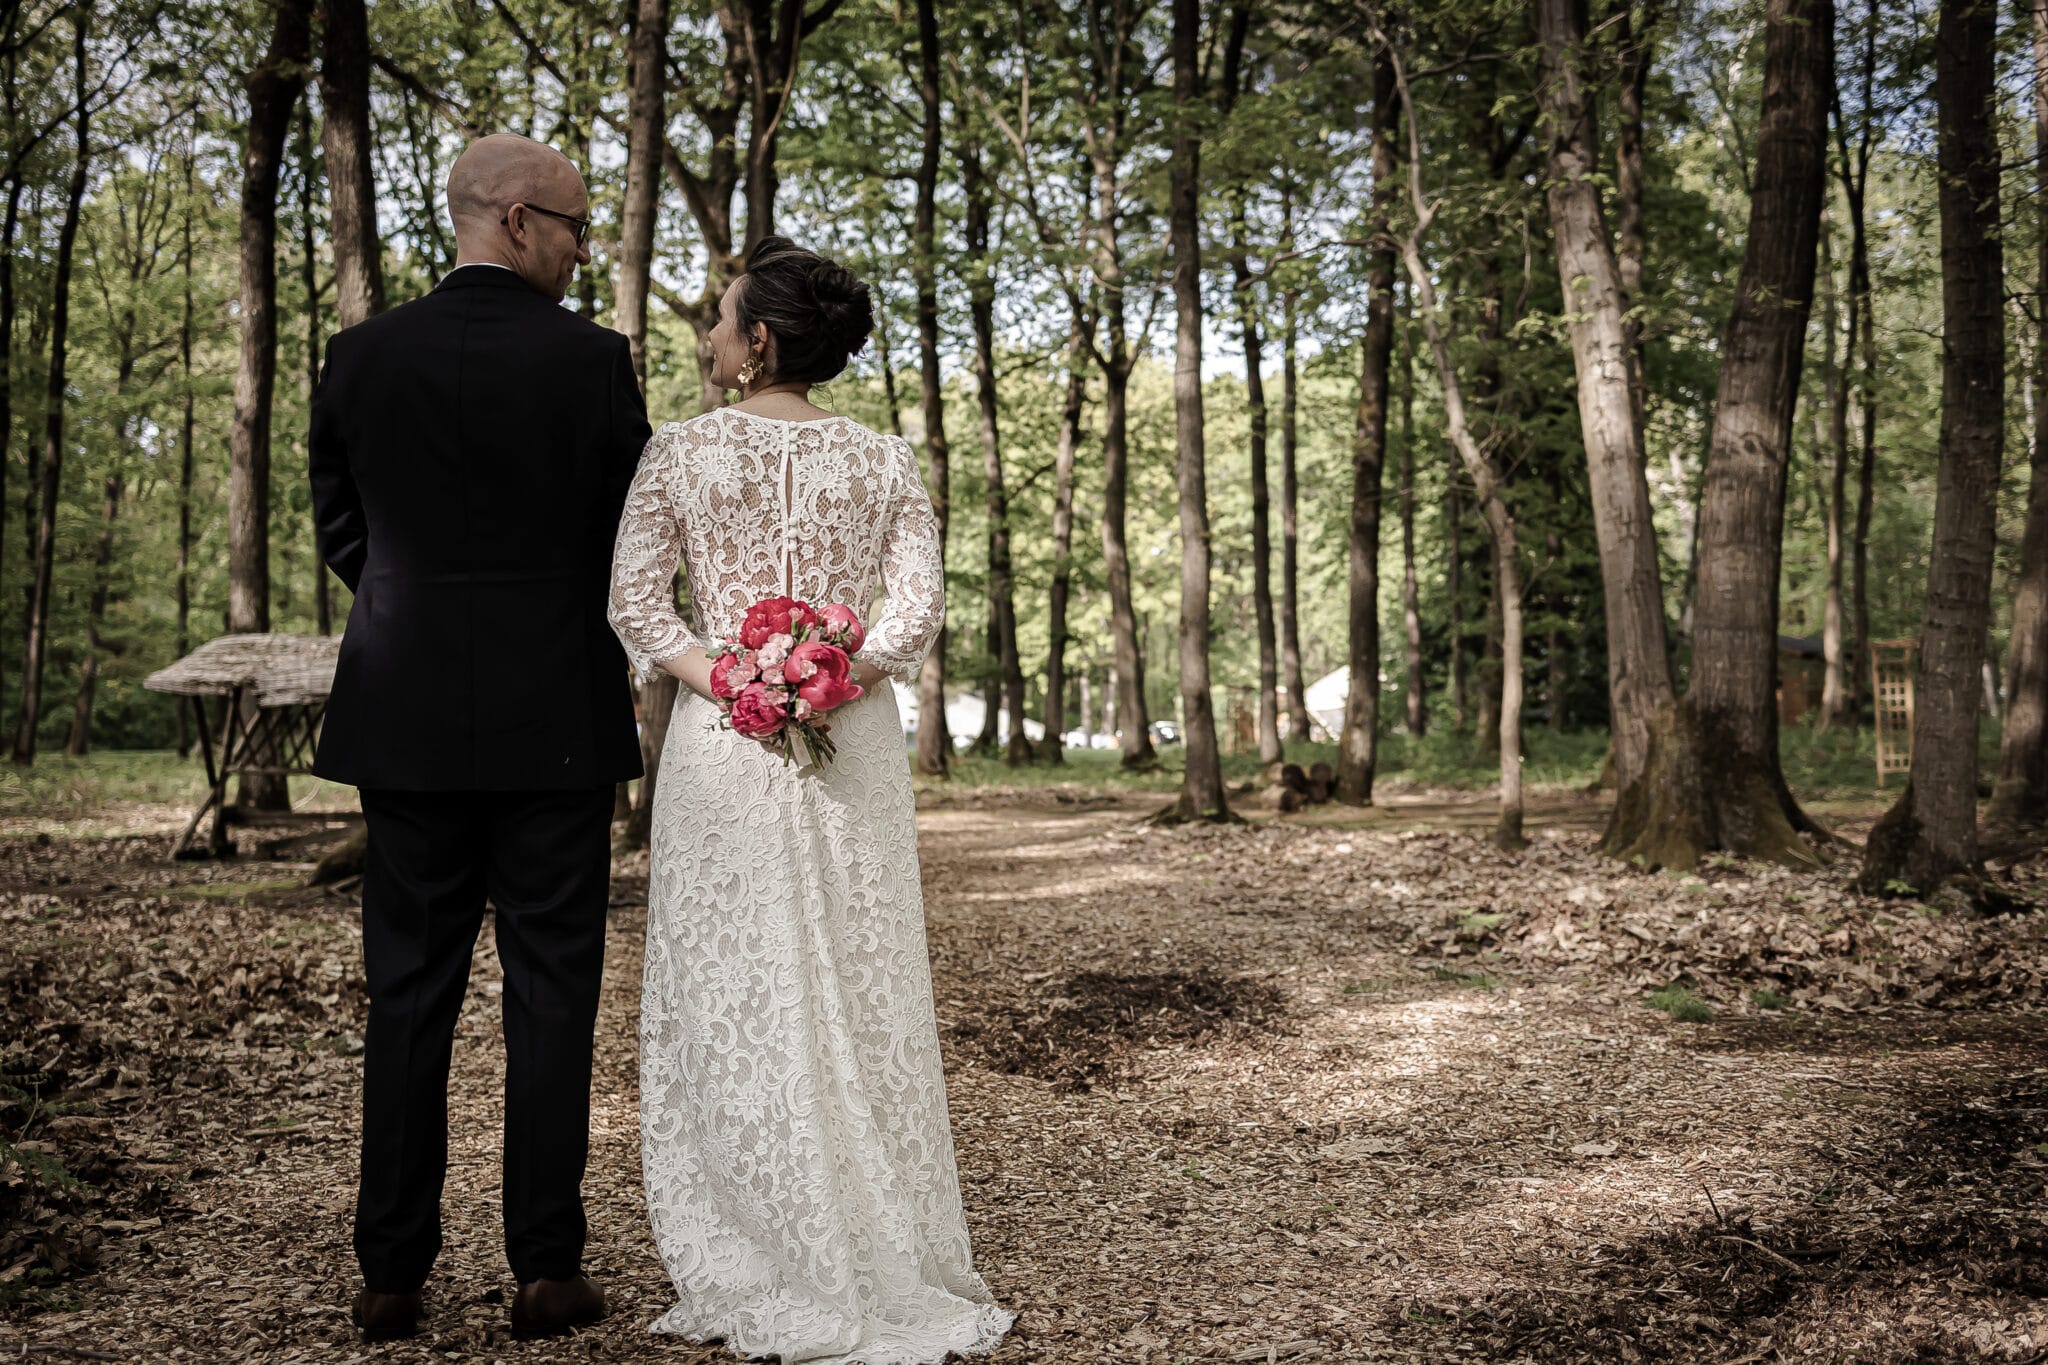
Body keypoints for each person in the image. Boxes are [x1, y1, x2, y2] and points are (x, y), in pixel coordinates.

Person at [607, 236, 1013, 1363]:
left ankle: (768, 1240)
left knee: (733, 980)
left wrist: (738, 681)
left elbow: (637, 604)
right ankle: (862, 1234)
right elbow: (915, 609)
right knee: (856, 966)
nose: (710, 333)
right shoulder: (883, 460)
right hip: (849, 730)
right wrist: (827, 679)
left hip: (722, 737)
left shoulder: (678, 452)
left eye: (722, 316)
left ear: (758, 341)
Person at [308, 133, 648, 1343]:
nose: (580, 248)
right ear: (514, 220)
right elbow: (627, 539)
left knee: (406, 993)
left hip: (402, 717)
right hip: (554, 717)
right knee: (552, 994)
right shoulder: (593, 362)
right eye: (572, 226)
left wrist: (421, 615)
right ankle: (545, 1270)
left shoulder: (358, 357)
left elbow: (342, 528)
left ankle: (390, 1274)